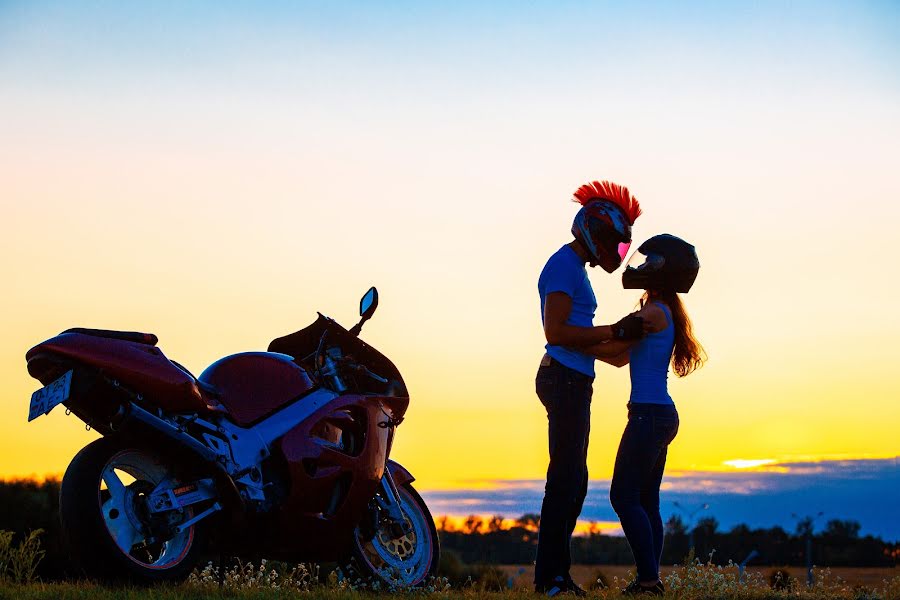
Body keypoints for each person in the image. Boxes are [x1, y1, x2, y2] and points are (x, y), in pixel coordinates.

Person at [534, 180, 644, 596]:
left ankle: (556, 576)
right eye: (615, 246)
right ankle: (551, 579)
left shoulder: (575, 268)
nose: (617, 256)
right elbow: (557, 331)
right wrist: (617, 329)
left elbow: (596, 346)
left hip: (574, 379)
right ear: (592, 233)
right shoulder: (564, 266)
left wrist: (633, 336)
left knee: (572, 480)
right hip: (562, 378)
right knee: (564, 480)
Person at [590, 234, 706, 596]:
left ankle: (648, 580)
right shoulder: (663, 311)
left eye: (649, 261)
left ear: (662, 269)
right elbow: (620, 354)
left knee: (623, 497)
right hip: (658, 414)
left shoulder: (654, 312)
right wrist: (587, 351)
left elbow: (616, 334)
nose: (639, 266)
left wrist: (570, 338)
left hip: (648, 416)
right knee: (646, 500)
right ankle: (651, 579)